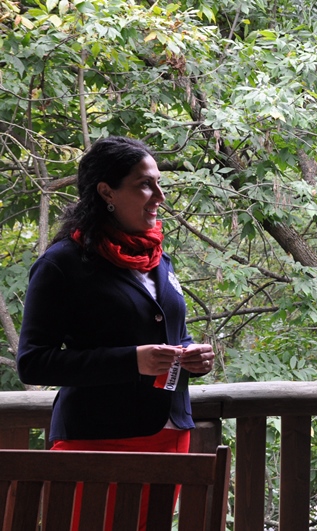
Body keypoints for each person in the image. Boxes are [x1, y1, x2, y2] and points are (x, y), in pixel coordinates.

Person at [16, 136, 215, 530]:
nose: (159, 196)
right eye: (145, 185)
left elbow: (172, 334)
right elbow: (33, 363)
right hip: (97, 439)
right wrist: (131, 361)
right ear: (106, 191)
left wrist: (192, 356)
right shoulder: (61, 264)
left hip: (171, 433)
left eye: (159, 183)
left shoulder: (158, 258)